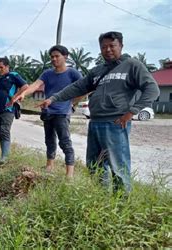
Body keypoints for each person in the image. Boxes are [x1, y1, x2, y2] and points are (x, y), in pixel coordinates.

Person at [37, 31, 159, 193]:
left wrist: (132, 111)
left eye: (112, 46)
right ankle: (102, 197)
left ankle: (121, 204)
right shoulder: (98, 70)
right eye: (104, 47)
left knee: (118, 166)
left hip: (115, 122)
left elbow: (152, 89)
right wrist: (53, 98)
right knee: (95, 165)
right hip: (95, 123)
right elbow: (77, 87)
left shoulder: (132, 65)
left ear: (121, 46)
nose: (108, 49)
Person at [11, 45, 82, 178]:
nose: (54, 59)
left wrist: (73, 102)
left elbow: (85, 88)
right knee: (49, 140)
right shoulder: (47, 73)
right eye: (52, 57)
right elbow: (36, 85)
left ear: (65, 56)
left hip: (62, 113)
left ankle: (69, 174)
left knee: (65, 142)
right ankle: (49, 166)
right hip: (48, 111)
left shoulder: (72, 73)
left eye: (57, 56)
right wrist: (24, 94)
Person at [0, 57, 28, 165]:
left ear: (7, 66)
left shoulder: (13, 75)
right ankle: (3, 156)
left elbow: (25, 86)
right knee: (0, 133)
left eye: (1, 67)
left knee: (4, 130)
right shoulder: (0, 79)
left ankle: (5, 158)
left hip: (8, 109)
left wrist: (15, 97)